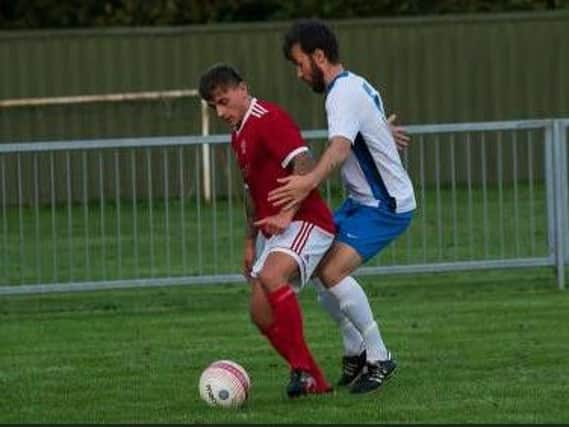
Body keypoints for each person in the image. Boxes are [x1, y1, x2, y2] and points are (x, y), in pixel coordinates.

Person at [269, 19, 417, 394]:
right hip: (362, 201)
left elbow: (339, 148)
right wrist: (382, 132)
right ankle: (354, 351)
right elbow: (365, 121)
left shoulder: (340, 94)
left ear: (319, 56)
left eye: (300, 63)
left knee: (331, 271)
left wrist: (308, 181)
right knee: (317, 266)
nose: (300, 74)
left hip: (385, 205)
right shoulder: (352, 85)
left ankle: (379, 357)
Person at [198, 63, 337, 398]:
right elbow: (250, 192)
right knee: (259, 313)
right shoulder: (239, 133)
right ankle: (315, 380)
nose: (220, 111)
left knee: (273, 277)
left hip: (307, 221)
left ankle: (301, 368)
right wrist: (249, 242)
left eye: (224, 100)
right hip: (274, 232)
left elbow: (304, 162)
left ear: (243, 89)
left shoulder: (268, 118)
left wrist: (288, 212)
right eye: (214, 105)